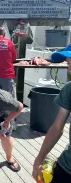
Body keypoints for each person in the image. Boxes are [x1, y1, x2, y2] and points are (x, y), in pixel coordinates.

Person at [32, 48, 71, 182]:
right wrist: (40, 159)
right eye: (68, 64)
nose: (68, 70)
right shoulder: (69, 89)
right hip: (67, 166)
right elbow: (57, 127)